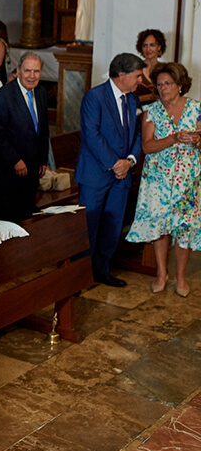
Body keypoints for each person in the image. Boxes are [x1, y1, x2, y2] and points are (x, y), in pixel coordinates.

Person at [126, 63, 201, 296]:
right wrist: (174, 138)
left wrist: (197, 140)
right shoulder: (151, 111)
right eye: (159, 84)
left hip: (187, 179)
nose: (163, 88)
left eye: (168, 83)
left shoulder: (196, 109)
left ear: (180, 85)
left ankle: (180, 277)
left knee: (183, 228)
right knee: (160, 225)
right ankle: (161, 273)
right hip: (158, 180)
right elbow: (147, 147)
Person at [75, 53, 145, 288]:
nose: (141, 80)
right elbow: (91, 135)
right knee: (88, 228)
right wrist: (116, 164)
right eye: (137, 75)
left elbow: (137, 134)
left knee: (112, 227)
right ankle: (78, 279)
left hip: (122, 175)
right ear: (122, 75)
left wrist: (130, 161)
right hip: (96, 174)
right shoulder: (94, 97)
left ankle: (101, 271)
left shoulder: (133, 100)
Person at [0, 52, 49, 222]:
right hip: (6, 172)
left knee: (26, 218)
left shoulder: (41, 92)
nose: (32, 76)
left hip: (31, 171)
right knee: (8, 221)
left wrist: (43, 159)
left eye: (36, 71)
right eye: (27, 70)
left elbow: (43, 130)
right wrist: (15, 160)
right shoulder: (3, 96)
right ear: (18, 71)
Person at [135, 29, 166, 104]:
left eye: (152, 45)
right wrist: (149, 97)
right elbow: (126, 100)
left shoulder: (165, 69)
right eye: (145, 45)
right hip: (137, 113)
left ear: (159, 46)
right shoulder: (134, 68)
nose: (148, 49)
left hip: (161, 113)